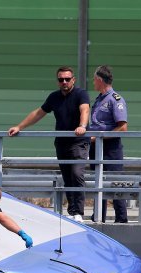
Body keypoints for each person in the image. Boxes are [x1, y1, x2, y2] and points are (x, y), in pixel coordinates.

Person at [8, 66, 90, 221]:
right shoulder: (54, 97)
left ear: (73, 80)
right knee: (67, 176)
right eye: (61, 80)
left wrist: (82, 126)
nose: (64, 82)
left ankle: (78, 212)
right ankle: (72, 211)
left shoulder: (81, 94)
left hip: (78, 141)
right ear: (58, 81)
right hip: (61, 142)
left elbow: (84, 110)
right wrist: (19, 126)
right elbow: (38, 113)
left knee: (76, 173)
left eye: (67, 79)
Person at [88, 65, 129, 223]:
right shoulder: (99, 99)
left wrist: (99, 137)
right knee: (98, 183)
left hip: (110, 149)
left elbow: (122, 127)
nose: (93, 83)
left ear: (99, 80)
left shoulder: (115, 99)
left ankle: (121, 218)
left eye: (94, 80)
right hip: (96, 148)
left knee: (115, 183)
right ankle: (99, 216)